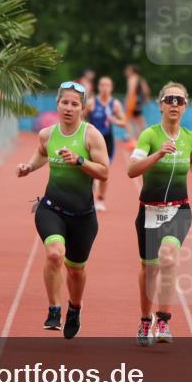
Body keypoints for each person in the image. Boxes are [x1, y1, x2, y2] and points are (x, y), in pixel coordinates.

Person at [17, 82, 110, 338]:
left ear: (83, 108)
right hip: (51, 208)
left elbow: (105, 171)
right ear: (57, 104)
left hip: (83, 216)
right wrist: (29, 167)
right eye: (64, 103)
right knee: (55, 254)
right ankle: (54, 308)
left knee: (76, 270)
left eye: (74, 104)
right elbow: (41, 153)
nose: (68, 108)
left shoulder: (91, 136)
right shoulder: (47, 134)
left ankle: (75, 308)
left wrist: (80, 161)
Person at [127, 82, 192, 346]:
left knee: (169, 257)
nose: (175, 104)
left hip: (179, 209)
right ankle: (144, 319)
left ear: (186, 106)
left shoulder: (191, 138)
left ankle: (163, 320)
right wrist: (158, 154)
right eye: (169, 99)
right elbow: (132, 170)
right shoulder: (149, 136)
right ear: (160, 104)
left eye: (180, 100)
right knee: (149, 268)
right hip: (149, 211)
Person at [84, 76, 126, 211]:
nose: (104, 88)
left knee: (104, 172)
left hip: (107, 141)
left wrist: (114, 120)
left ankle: (100, 199)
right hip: (91, 140)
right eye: (102, 85)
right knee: (88, 170)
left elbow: (123, 122)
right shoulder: (91, 103)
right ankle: (88, 196)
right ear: (98, 87)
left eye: (107, 85)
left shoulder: (115, 104)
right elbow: (80, 117)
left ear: (111, 88)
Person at [123, 64, 150, 145]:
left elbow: (131, 91)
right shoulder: (140, 79)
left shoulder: (132, 79)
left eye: (127, 70)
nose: (126, 72)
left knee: (126, 119)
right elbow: (147, 90)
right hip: (139, 102)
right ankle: (146, 137)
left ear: (131, 71)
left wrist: (127, 101)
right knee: (139, 119)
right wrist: (146, 98)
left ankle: (132, 138)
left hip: (133, 100)